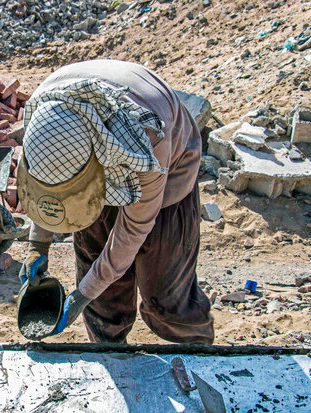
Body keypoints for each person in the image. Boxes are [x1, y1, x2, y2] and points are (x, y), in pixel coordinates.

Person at [17, 59, 214, 344]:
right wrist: (38, 246)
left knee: (165, 296)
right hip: (94, 156)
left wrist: (81, 296)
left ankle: (199, 357)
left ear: (95, 169)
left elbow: (133, 230)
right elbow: (45, 189)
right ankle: (109, 352)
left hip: (168, 174)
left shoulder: (147, 143)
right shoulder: (43, 115)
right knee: (103, 303)